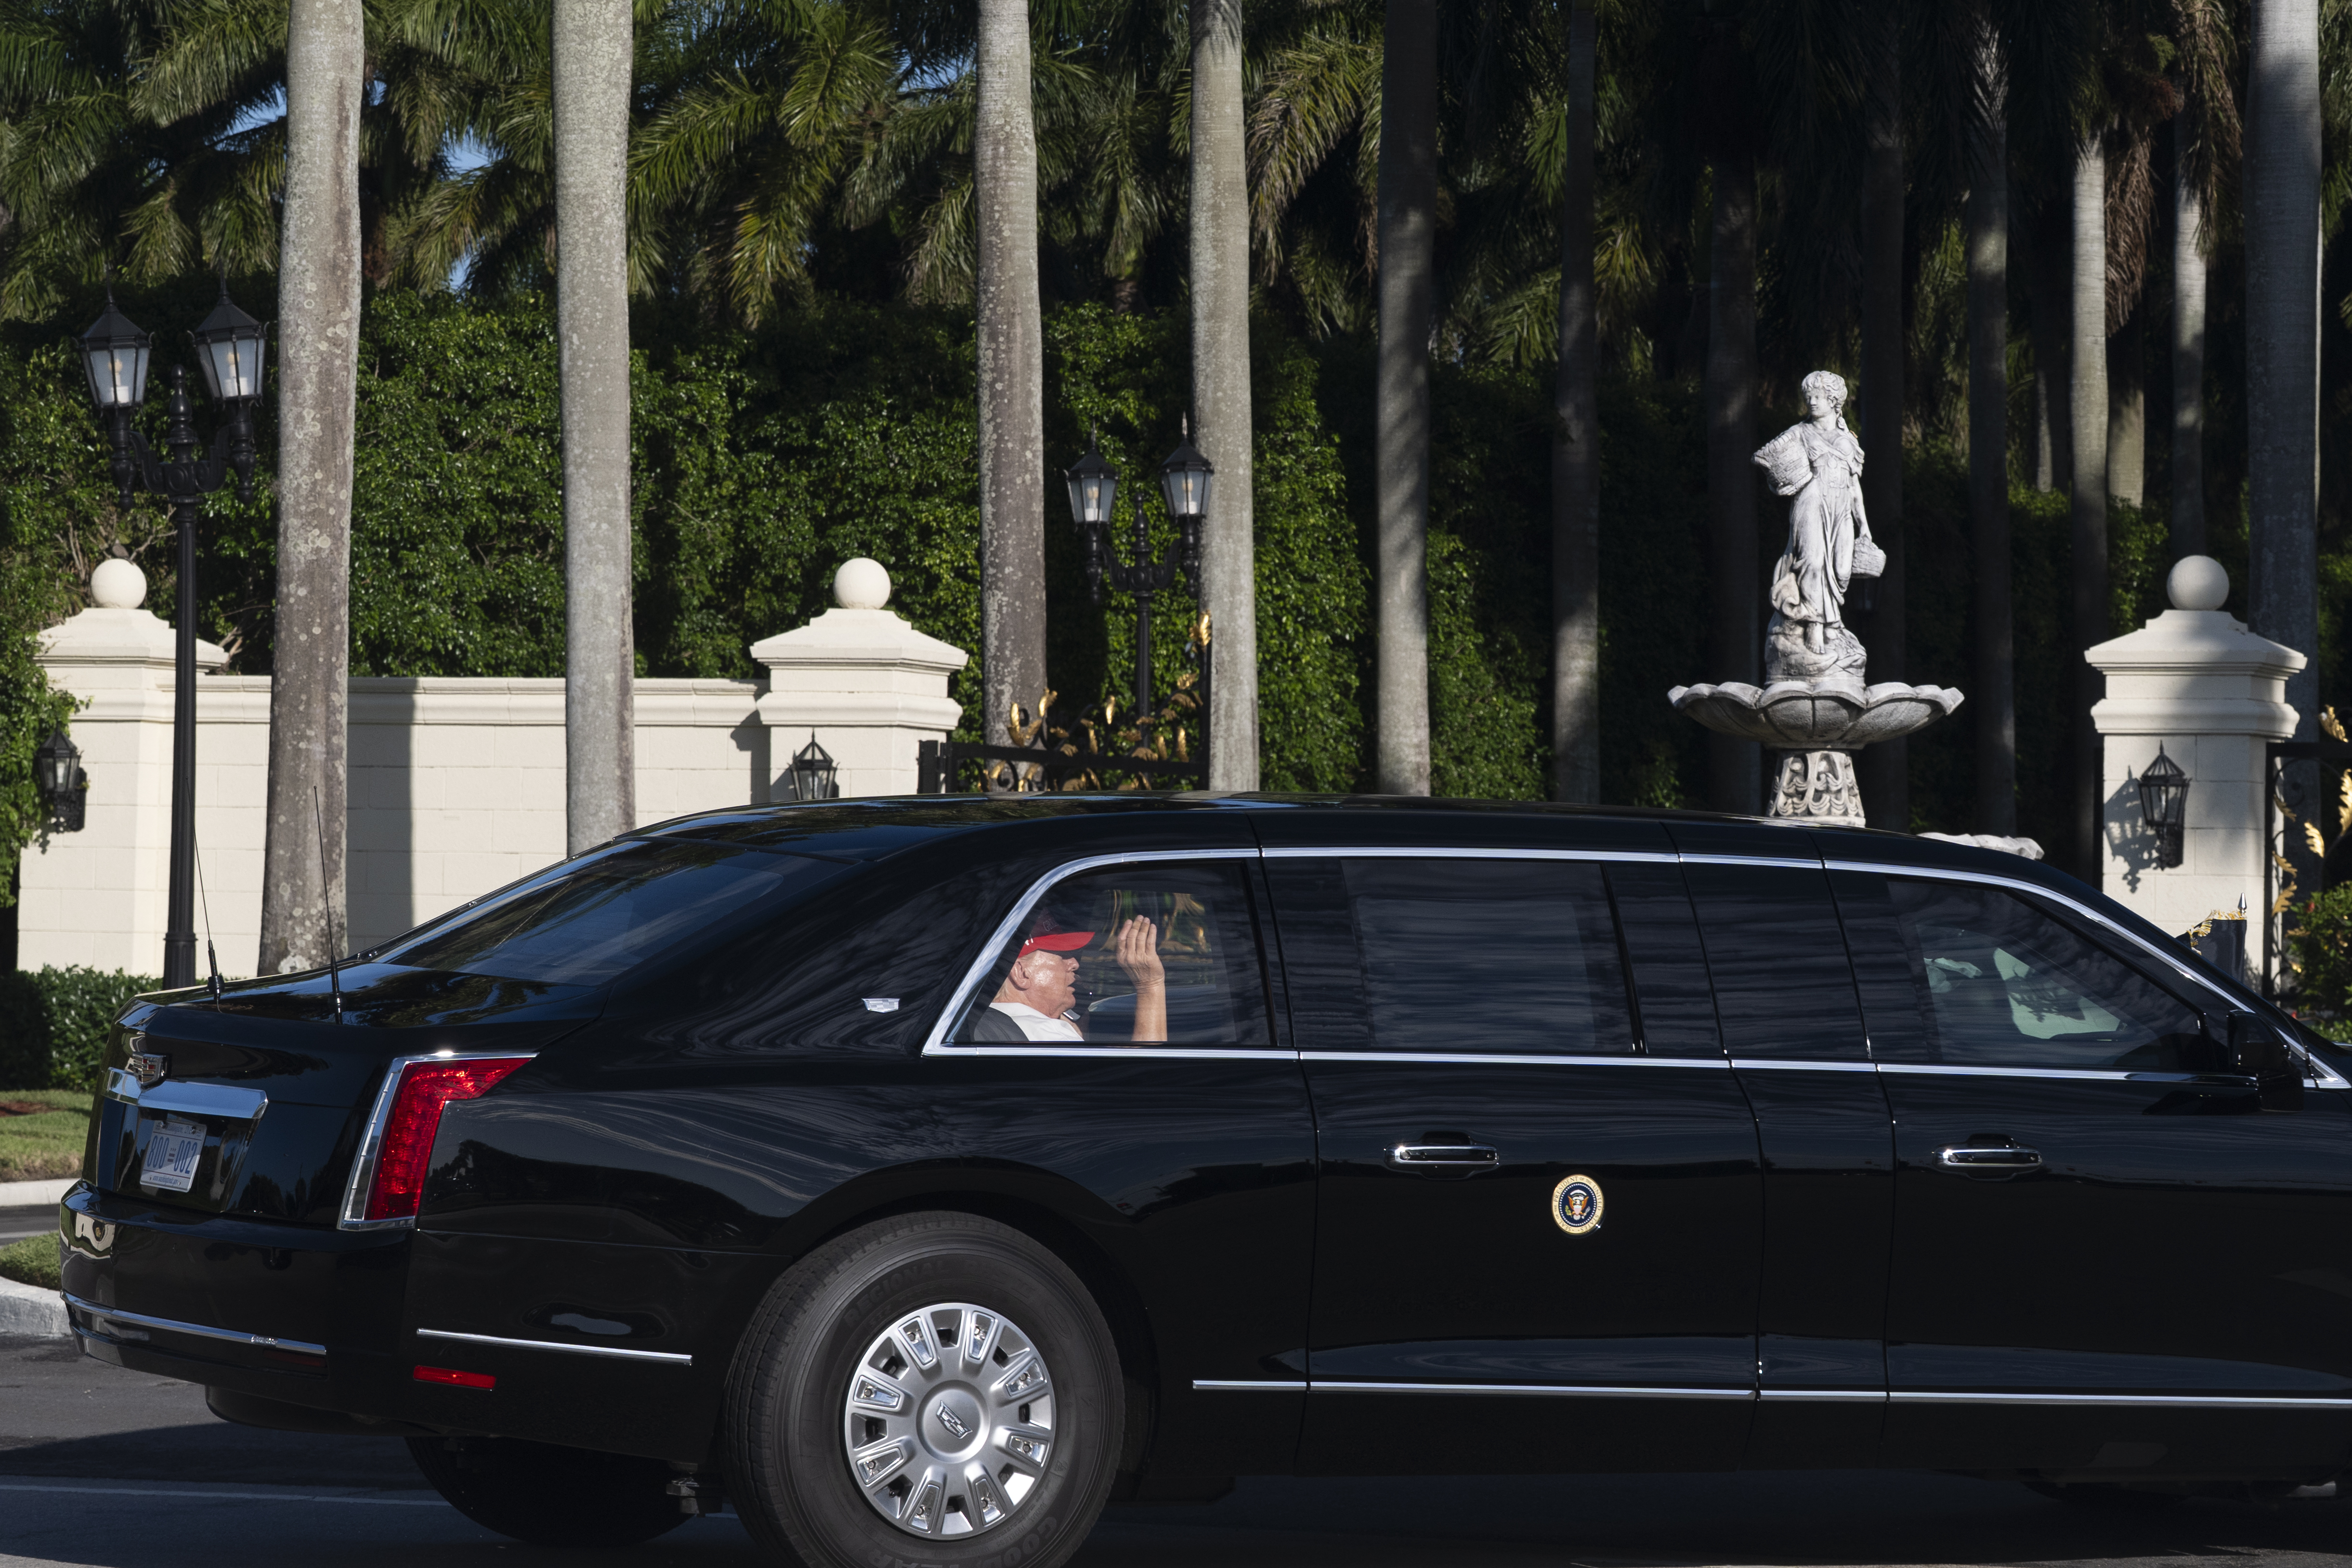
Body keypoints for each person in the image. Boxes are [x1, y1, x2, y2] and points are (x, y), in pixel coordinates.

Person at [1752, 369, 1879, 681]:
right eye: (1808, 397)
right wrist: (1775, 472)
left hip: (1841, 508)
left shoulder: (1849, 439)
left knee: (1841, 570)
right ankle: (1818, 627)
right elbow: (1767, 458)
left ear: (1834, 401)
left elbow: (1854, 488)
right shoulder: (1799, 432)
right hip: (1810, 501)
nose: (1811, 402)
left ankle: (1831, 621)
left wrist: (1865, 527)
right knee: (1811, 561)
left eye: (1817, 397)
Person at [968, 917, 1166, 1043]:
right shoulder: (1046, 1035)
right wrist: (1150, 987)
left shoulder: (983, 1021)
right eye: (1061, 955)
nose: (1074, 963)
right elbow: (1140, 1089)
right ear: (1021, 973)